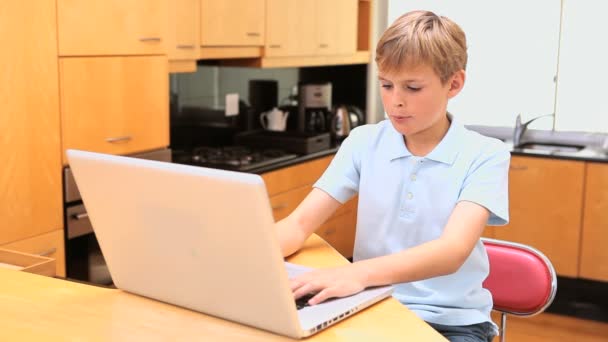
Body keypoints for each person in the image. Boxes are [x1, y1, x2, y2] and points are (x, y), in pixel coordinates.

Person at [275, 10, 510, 342]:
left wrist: (357, 273)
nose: (395, 101)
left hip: (451, 322)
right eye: (386, 85)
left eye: (413, 87)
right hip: (370, 303)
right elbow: (298, 225)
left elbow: (451, 251)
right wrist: (246, 252)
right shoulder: (364, 142)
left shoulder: (485, 155)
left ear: (454, 84)